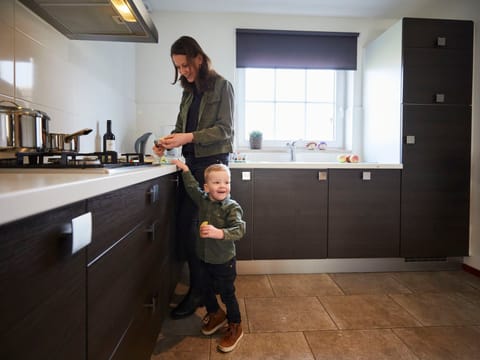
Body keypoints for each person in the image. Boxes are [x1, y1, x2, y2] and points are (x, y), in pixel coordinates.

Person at [152, 36, 234, 319]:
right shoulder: (187, 93)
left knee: (195, 232)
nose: (183, 71)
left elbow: (225, 130)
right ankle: (202, 291)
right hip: (191, 165)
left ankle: (202, 293)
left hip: (212, 168)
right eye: (178, 67)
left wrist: (189, 137)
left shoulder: (222, 86)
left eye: (186, 65)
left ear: (199, 58)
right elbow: (179, 128)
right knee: (188, 231)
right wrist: (167, 141)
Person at [172, 159, 245, 352]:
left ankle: (235, 325)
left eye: (226, 182)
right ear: (207, 186)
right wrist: (185, 169)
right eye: (217, 182)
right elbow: (192, 188)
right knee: (204, 288)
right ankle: (215, 314)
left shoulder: (232, 207)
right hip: (204, 257)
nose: (223, 186)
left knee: (227, 294)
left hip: (224, 261)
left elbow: (239, 229)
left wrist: (219, 233)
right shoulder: (203, 199)